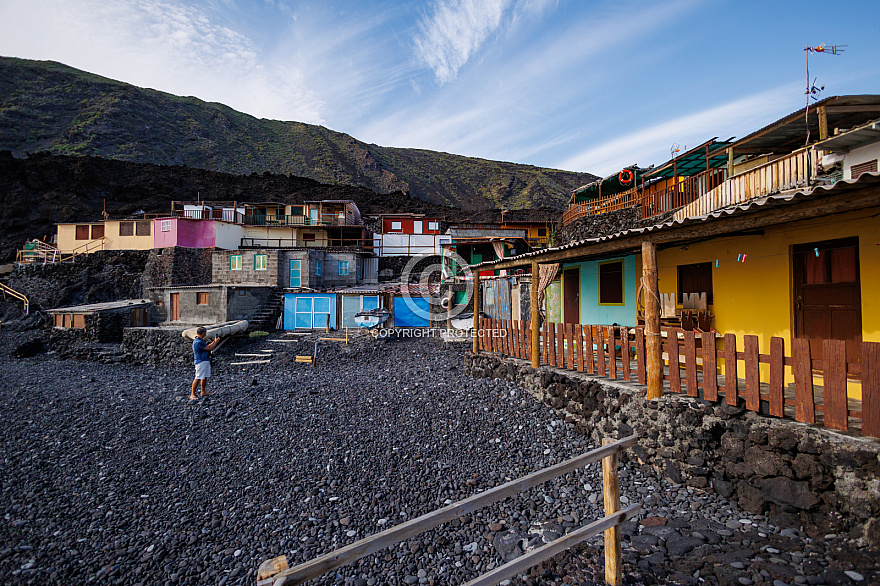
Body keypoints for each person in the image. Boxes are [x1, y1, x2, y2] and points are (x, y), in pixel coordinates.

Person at [191, 327, 221, 400]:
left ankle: (203, 392)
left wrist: (214, 341)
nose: (206, 333)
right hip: (200, 361)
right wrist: (216, 342)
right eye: (205, 332)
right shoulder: (198, 342)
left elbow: (208, 346)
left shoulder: (201, 340)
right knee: (198, 377)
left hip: (205, 360)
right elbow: (209, 348)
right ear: (203, 333)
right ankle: (192, 394)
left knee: (204, 377)